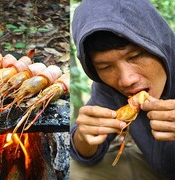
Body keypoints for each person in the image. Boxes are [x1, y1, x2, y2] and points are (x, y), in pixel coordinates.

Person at [70, 0, 175, 179]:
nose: (126, 80)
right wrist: (83, 137)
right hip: (151, 166)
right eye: (105, 67)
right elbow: (87, 153)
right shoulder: (108, 88)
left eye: (135, 56)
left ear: (159, 44)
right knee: (75, 172)